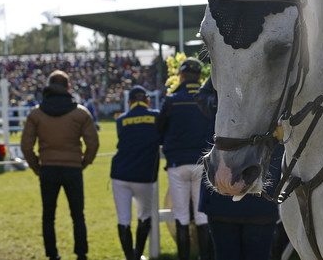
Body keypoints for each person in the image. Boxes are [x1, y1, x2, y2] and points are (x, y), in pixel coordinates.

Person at [195, 77, 283, 260]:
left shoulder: (220, 102)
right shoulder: (273, 101)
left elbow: (201, 97)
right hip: (260, 201)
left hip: (225, 200)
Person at [21, 70, 100, 260]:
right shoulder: (81, 113)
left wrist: (36, 167)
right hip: (73, 167)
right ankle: (81, 254)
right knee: (78, 215)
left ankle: (53, 255)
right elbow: (93, 144)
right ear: (68, 88)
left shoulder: (36, 114)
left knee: (48, 216)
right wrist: (83, 162)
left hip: (48, 167)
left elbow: (25, 146)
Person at [156, 58, 213, 260]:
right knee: (202, 217)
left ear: (181, 75)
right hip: (203, 163)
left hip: (177, 163)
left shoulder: (172, 99)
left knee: (181, 216)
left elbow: (159, 128)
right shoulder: (209, 99)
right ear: (200, 76)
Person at [110, 85, 162, 260]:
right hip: (144, 176)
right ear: (147, 100)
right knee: (144, 217)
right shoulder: (156, 116)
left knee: (123, 219)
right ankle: (137, 255)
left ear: (130, 102)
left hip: (120, 175)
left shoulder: (121, 120)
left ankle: (130, 257)